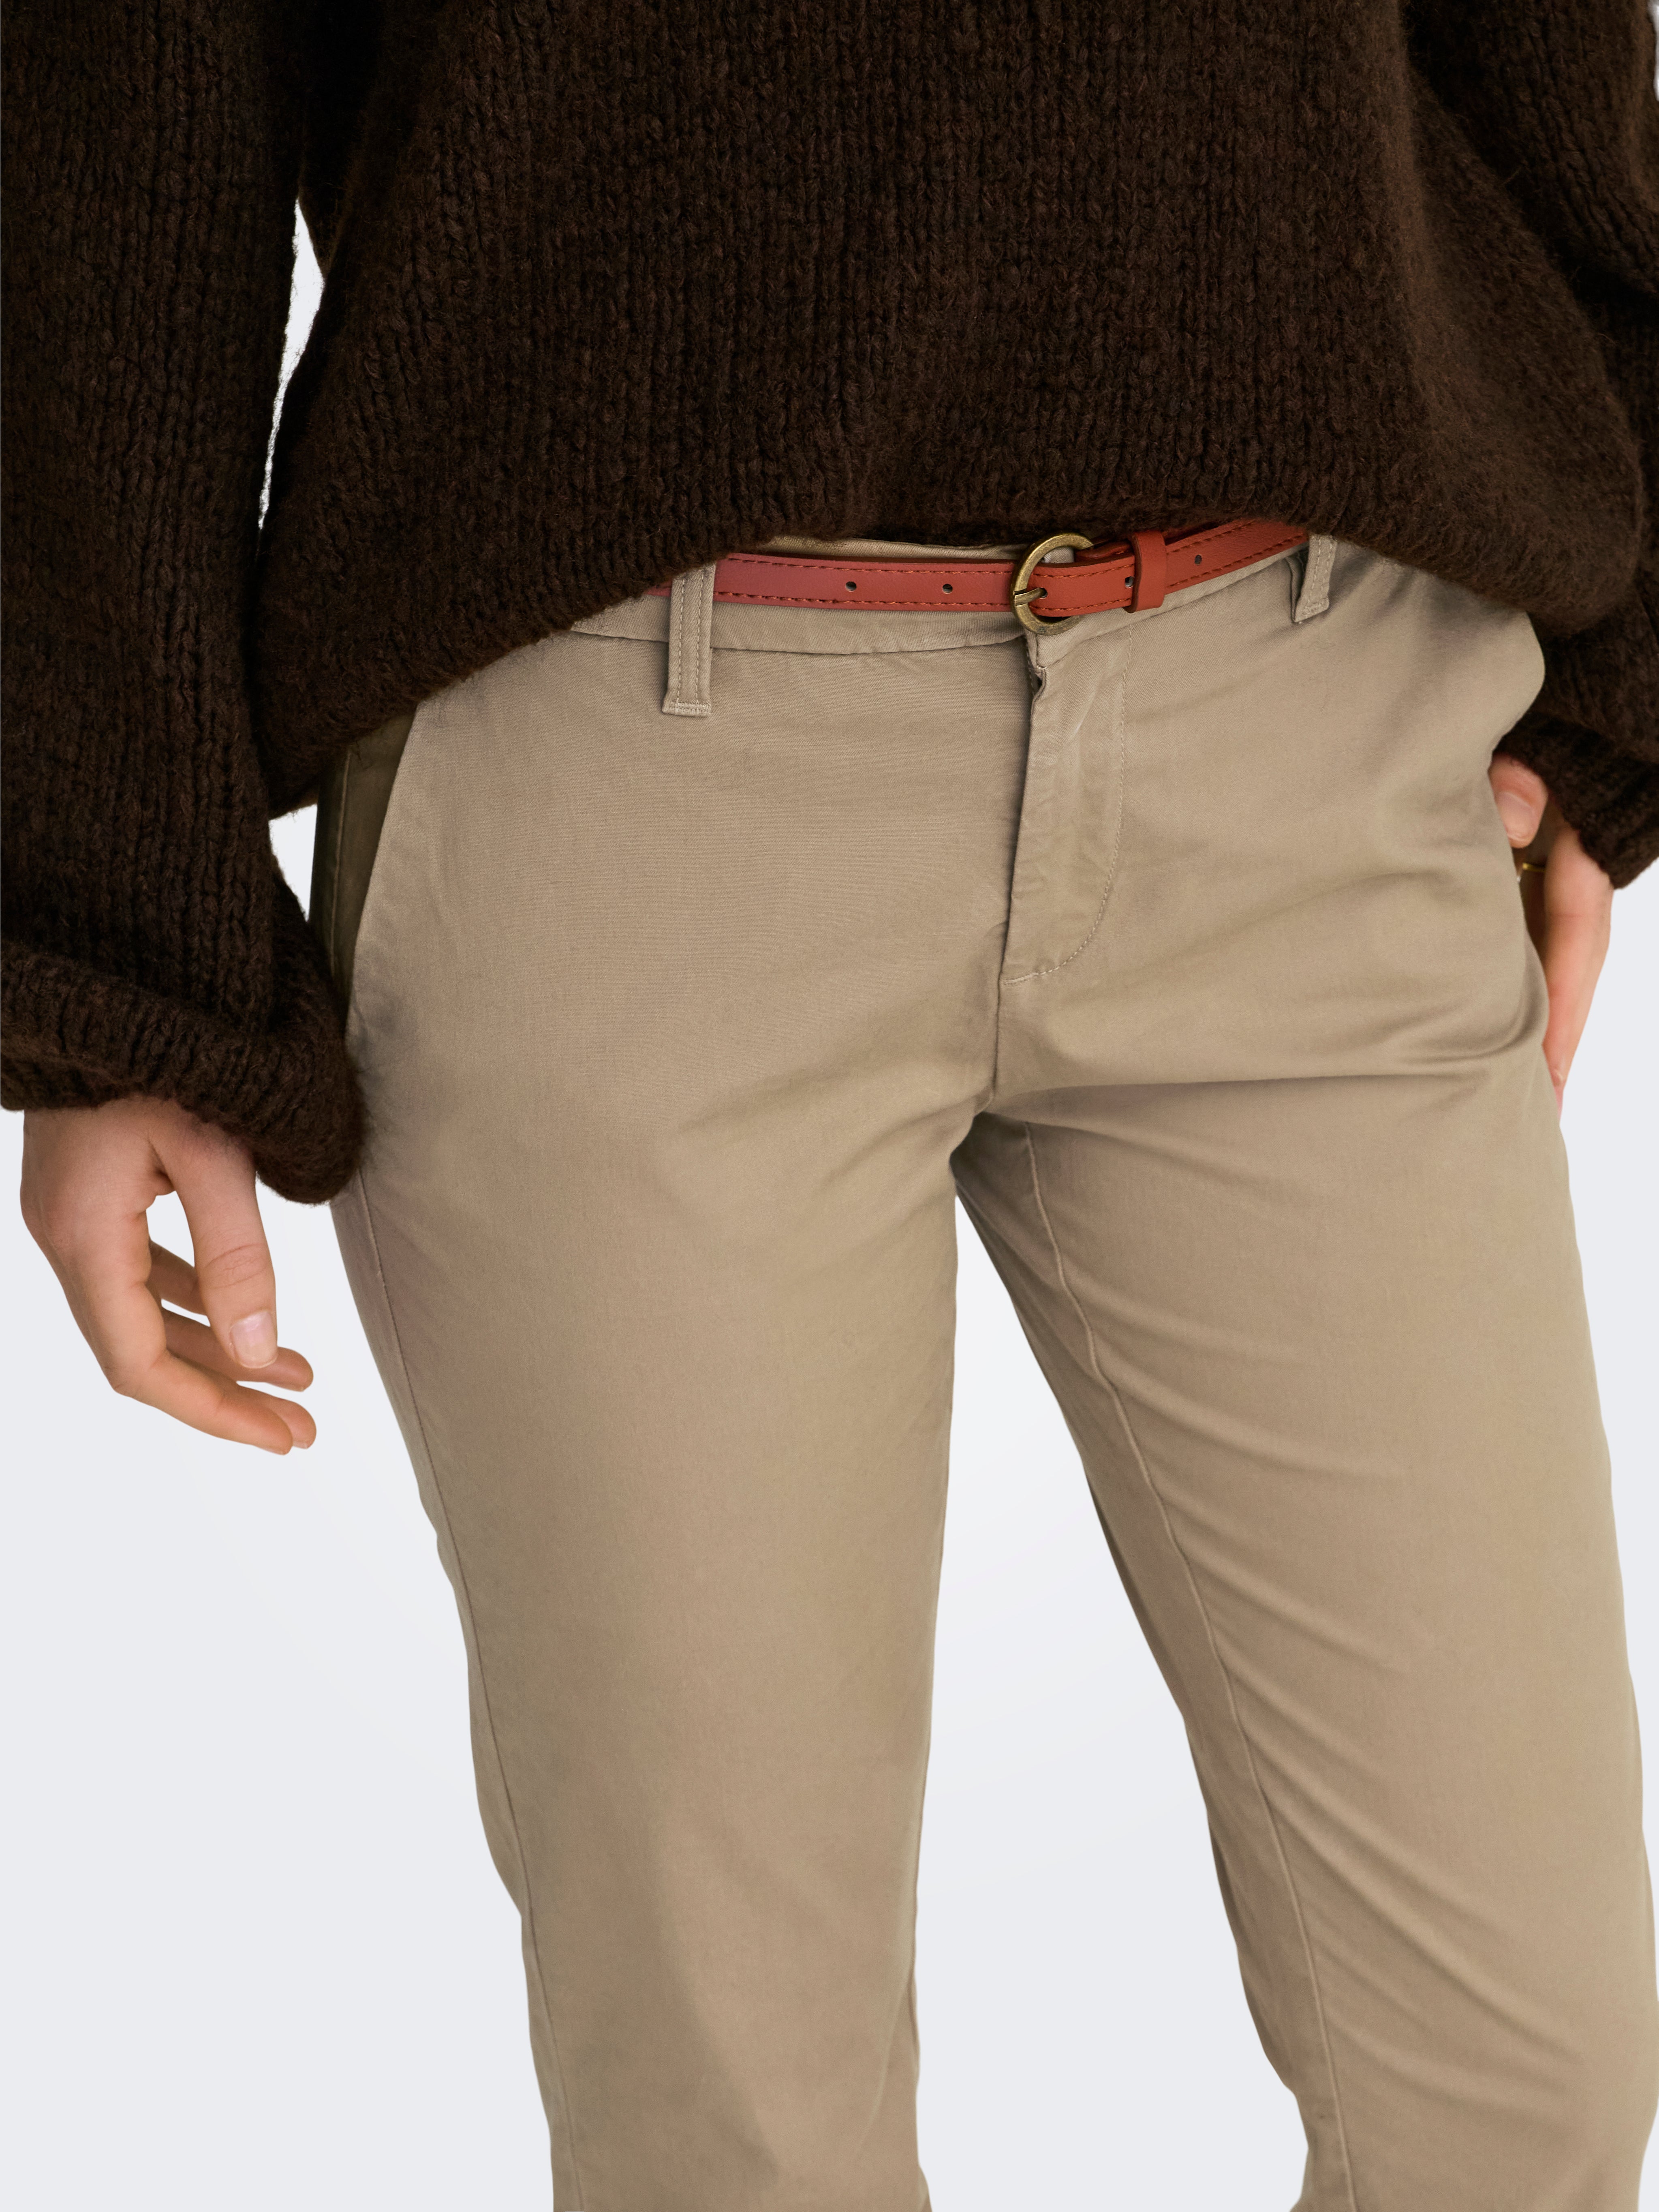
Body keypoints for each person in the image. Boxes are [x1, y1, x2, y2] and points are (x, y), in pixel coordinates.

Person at [5, 3, 1657, 2204]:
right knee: (740, 2139)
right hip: (626, 768)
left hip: (1318, 716)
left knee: (1529, 2074)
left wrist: (1625, 656)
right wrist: (116, 936)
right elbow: (129, 80)